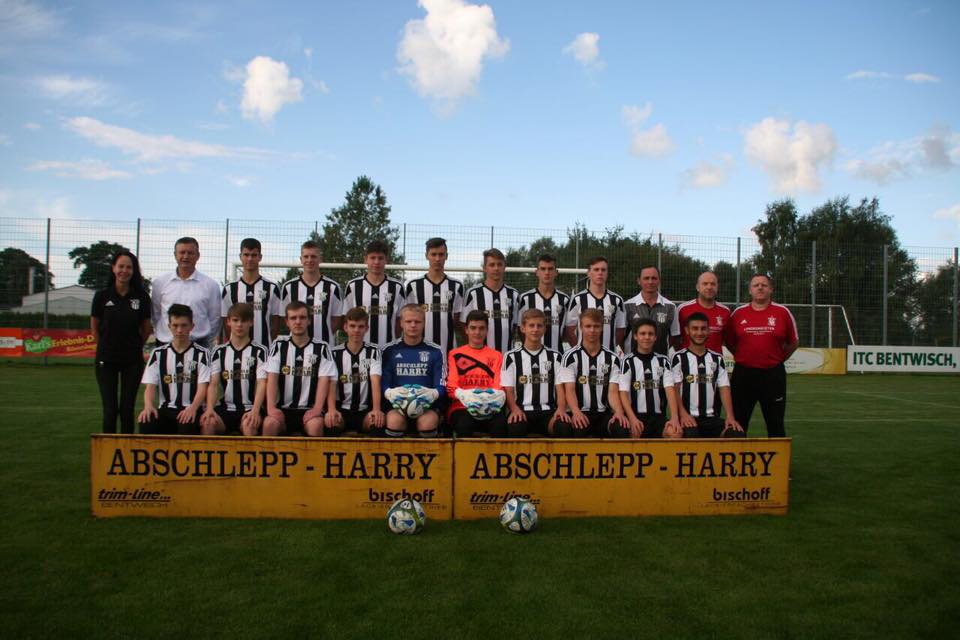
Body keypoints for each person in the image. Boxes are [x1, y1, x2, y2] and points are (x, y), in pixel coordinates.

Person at [725, 273, 798, 437]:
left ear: (771, 289)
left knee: (775, 423)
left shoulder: (782, 312)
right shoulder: (738, 313)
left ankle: (777, 454)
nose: (760, 288)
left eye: (764, 285)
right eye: (756, 285)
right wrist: (743, 356)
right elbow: (729, 342)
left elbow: (793, 343)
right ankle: (738, 453)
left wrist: (778, 359)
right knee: (738, 423)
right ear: (750, 290)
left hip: (773, 374)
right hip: (743, 374)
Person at [91, 250, 152, 434]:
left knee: (127, 409)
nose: (124, 271)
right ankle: (108, 448)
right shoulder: (102, 296)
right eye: (121, 266)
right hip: (106, 359)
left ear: (134, 271)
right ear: (113, 268)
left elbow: (146, 329)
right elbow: (94, 328)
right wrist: (104, 348)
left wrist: (134, 346)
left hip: (132, 360)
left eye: (129, 267)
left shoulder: (141, 297)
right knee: (110, 410)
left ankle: (126, 448)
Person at [262, 301, 335, 437]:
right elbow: (272, 377)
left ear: (309, 320)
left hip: (309, 409)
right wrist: (271, 407)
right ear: (287, 322)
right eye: (293, 318)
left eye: (302, 317)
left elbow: (324, 380)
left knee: (315, 425)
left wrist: (317, 409)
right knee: (269, 424)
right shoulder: (279, 345)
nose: (298, 322)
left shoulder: (322, 348)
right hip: (283, 409)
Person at [138, 304, 210, 435]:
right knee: (146, 420)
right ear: (169, 326)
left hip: (192, 408)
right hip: (166, 410)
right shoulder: (158, 354)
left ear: (192, 326)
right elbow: (150, 386)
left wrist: (193, 408)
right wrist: (148, 406)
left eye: (184, 325)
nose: (179, 330)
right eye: (175, 325)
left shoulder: (202, 354)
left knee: (186, 423)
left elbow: (203, 387)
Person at [556, 309, 629, 437]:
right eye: (588, 326)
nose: (592, 330)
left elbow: (613, 391)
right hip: (579, 411)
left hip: (603, 414)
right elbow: (570, 390)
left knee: (621, 428)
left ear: (602, 328)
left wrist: (618, 411)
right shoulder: (570, 357)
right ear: (581, 327)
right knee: (577, 429)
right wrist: (576, 412)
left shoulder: (613, 358)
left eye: (596, 326)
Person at [670, 313, 743, 438]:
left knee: (736, 434)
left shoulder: (717, 358)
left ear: (708, 331)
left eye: (703, 328)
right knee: (691, 435)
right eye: (695, 328)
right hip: (688, 418)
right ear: (687, 330)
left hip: (711, 419)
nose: (699, 333)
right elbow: (675, 389)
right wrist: (683, 414)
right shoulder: (678, 358)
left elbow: (724, 388)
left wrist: (730, 417)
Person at [201, 303, 268, 436]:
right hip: (225, 408)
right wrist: (209, 408)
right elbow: (213, 384)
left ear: (251, 322)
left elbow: (262, 383)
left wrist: (255, 410)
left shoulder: (260, 351)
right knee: (208, 423)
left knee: (249, 425)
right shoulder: (219, 352)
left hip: (250, 408)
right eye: (235, 320)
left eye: (244, 321)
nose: (239, 325)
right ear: (228, 322)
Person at [381, 304, 447, 438]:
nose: (413, 325)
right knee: (394, 422)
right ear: (401, 323)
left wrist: (432, 394)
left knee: (427, 423)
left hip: (427, 406)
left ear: (424, 323)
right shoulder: (388, 350)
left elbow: (442, 385)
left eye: (417, 322)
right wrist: (390, 393)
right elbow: (383, 383)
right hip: (397, 405)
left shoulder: (436, 351)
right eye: (408, 321)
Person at [502, 309, 569, 437]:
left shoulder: (555, 356)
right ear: (523, 328)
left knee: (563, 427)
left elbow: (560, 389)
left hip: (549, 412)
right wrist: (514, 409)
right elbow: (508, 390)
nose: (535, 329)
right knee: (515, 427)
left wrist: (561, 409)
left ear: (544, 329)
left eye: (539, 326)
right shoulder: (511, 357)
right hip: (522, 411)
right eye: (531, 325)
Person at [151, 237, 222, 348]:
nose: (185, 256)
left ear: (198, 256)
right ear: (175, 255)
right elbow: (156, 314)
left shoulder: (211, 285)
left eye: (190, 253)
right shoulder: (160, 283)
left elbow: (215, 318)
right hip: (166, 344)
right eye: (182, 252)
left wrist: (206, 340)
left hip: (199, 344)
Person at [325, 307, 385, 436]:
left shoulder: (374, 351)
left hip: (365, 410)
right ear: (345, 327)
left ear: (366, 328)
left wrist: (376, 409)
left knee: (377, 423)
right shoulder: (334, 353)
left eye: (360, 326)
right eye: (352, 326)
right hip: (342, 410)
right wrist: (331, 409)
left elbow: (375, 381)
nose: (356, 330)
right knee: (330, 423)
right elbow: (331, 383)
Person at [447, 311, 507, 437]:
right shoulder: (455, 354)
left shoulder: (497, 356)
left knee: (500, 425)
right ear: (466, 330)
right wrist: (471, 398)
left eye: (481, 328)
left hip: (490, 406)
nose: (477, 332)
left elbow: (499, 387)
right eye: (473, 328)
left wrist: (485, 401)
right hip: (463, 407)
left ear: (487, 330)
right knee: (464, 424)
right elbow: (452, 387)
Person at [404, 237, 464, 359]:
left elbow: (457, 319)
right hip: (419, 351)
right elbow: (408, 319)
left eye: (441, 254)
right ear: (426, 256)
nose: (437, 259)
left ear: (446, 256)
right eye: (433, 254)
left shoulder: (457, 285)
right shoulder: (413, 285)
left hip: (448, 351)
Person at [618, 319, 680, 438]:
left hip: (658, 418)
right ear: (635, 336)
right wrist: (632, 418)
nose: (647, 337)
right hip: (636, 416)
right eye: (642, 333)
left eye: (650, 334)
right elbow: (623, 393)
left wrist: (674, 418)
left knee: (676, 433)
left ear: (655, 337)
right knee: (634, 433)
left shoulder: (663, 361)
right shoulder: (627, 361)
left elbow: (670, 390)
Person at [343, 240, 406, 350]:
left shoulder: (397, 287)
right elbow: (346, 317)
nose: (376, 262)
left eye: (380, 258)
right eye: (372, 258)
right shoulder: (353, 285)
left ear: (386, 260)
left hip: (388, 349)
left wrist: (393, 339)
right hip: (360, 350)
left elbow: (399, 320)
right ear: (366, 259)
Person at [221, 237, 282, 347]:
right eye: (246, 255)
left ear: (260, 257)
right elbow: (226, 321)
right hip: (237, 349)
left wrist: (269, 344)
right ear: (240, 257)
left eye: (254, 255)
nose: (250, 259)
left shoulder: (272, 288)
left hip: (264, 348)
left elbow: (276, 322)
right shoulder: (229, 289)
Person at [280, 240, 343, 345]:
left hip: (324, 346)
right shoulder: (289, 287)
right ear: (301, 259)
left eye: (313, 256)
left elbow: (337, 319)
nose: (309, 260)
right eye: (306, 257)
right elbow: (284, 317)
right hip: (296, 347)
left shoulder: (333, 287)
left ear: (320, 259)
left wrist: (322, 334)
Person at [461, 248, 519, 354]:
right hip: (479, 357)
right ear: (484, 268)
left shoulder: (514, 294)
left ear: (504, 267)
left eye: (499, 264)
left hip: (506, 356)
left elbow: (515, 326)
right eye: (492, 265)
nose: (496, 268)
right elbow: (464, 325)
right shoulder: (473, 293)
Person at [565, 256, 626, 353]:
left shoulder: (617, 300)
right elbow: (570, 329)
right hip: (583, 356)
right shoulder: (578, 299)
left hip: (608, 356)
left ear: (607, 273)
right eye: (596, 269)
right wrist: (580, 350)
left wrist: (609, 349)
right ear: (589, 273)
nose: (600, 273)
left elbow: (620, 330)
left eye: (603, 270)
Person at [517, 253, 570, 352]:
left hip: (557, 355)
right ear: (537, 272)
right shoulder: (525, 299)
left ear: (556, 272)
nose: (547, 272)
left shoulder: (565, 300)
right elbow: (520, 328)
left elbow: (567, 330)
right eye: (543, 269)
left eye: (550, 269)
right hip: (531, 355)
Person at [624, 265, 680, 356]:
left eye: (654, 278)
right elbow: (621, 335)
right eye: (646, 278)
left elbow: (674, 336)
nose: (650, 282)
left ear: (659, 280)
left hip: (661, 362)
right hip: (633, 361)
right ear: (639, 281)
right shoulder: (627, 306)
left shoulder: (671, 307)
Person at [677, 270, 731, 353]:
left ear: (717, 287)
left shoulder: (725, 312)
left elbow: (729, 341)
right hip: (687, 360)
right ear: (697, 287)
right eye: (705, 284)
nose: (709, 287)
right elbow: (676, 339)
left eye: (713, 284)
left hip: (715, 360)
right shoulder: (683, 309)